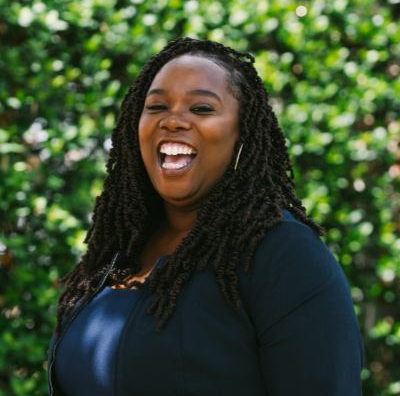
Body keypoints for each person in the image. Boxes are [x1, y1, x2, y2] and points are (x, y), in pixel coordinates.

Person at [47, 37, 365, 396]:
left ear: (241, 135)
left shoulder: (284, 255)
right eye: (156, 106)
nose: (173, 121)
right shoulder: (117, 252)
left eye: (201, 108)